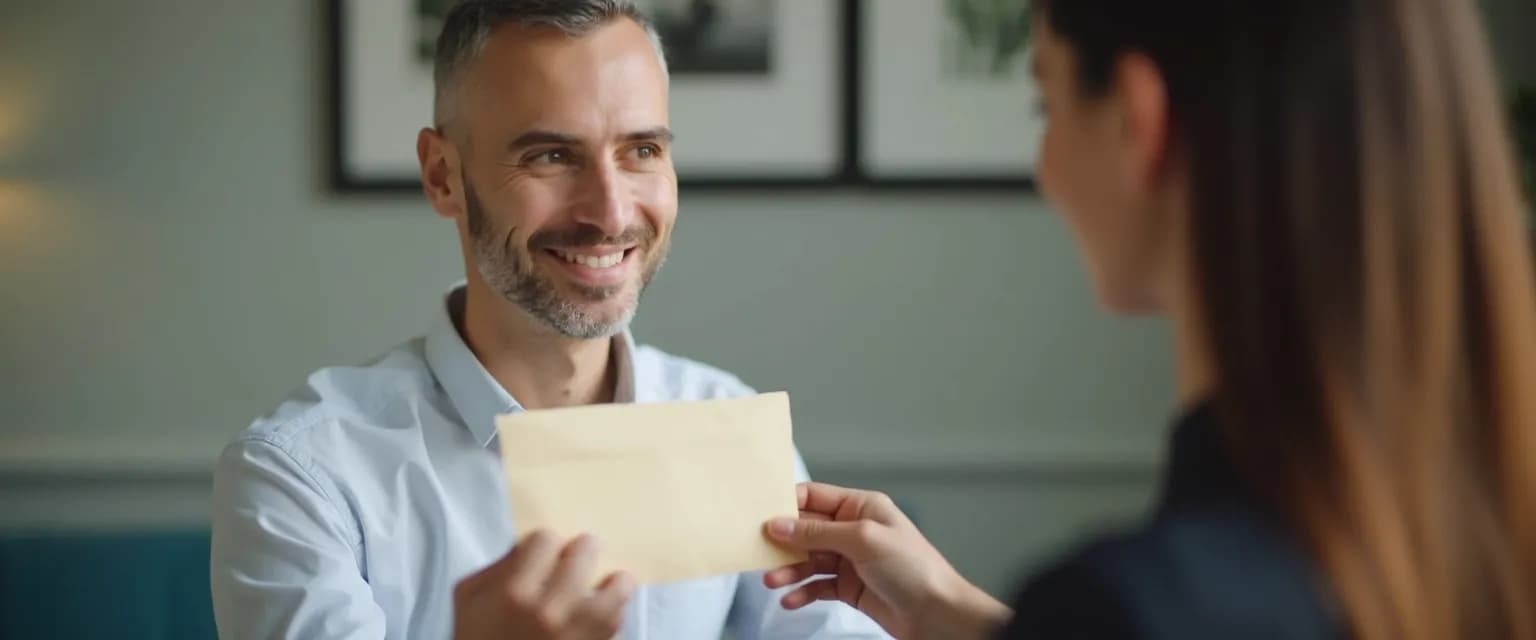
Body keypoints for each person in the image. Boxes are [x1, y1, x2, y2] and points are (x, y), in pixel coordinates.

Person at [759, 0, 1536, 639]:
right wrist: (943, 613)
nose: (1044, 166)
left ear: (1139, 120)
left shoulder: (1131, 603)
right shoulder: (1470, 534)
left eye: (1047, 102)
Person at [208, 2, 890, 638]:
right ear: (443, 175)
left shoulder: (730, 425)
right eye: (551, 156)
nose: (611, 213)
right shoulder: (304, 478)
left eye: (642, 151)